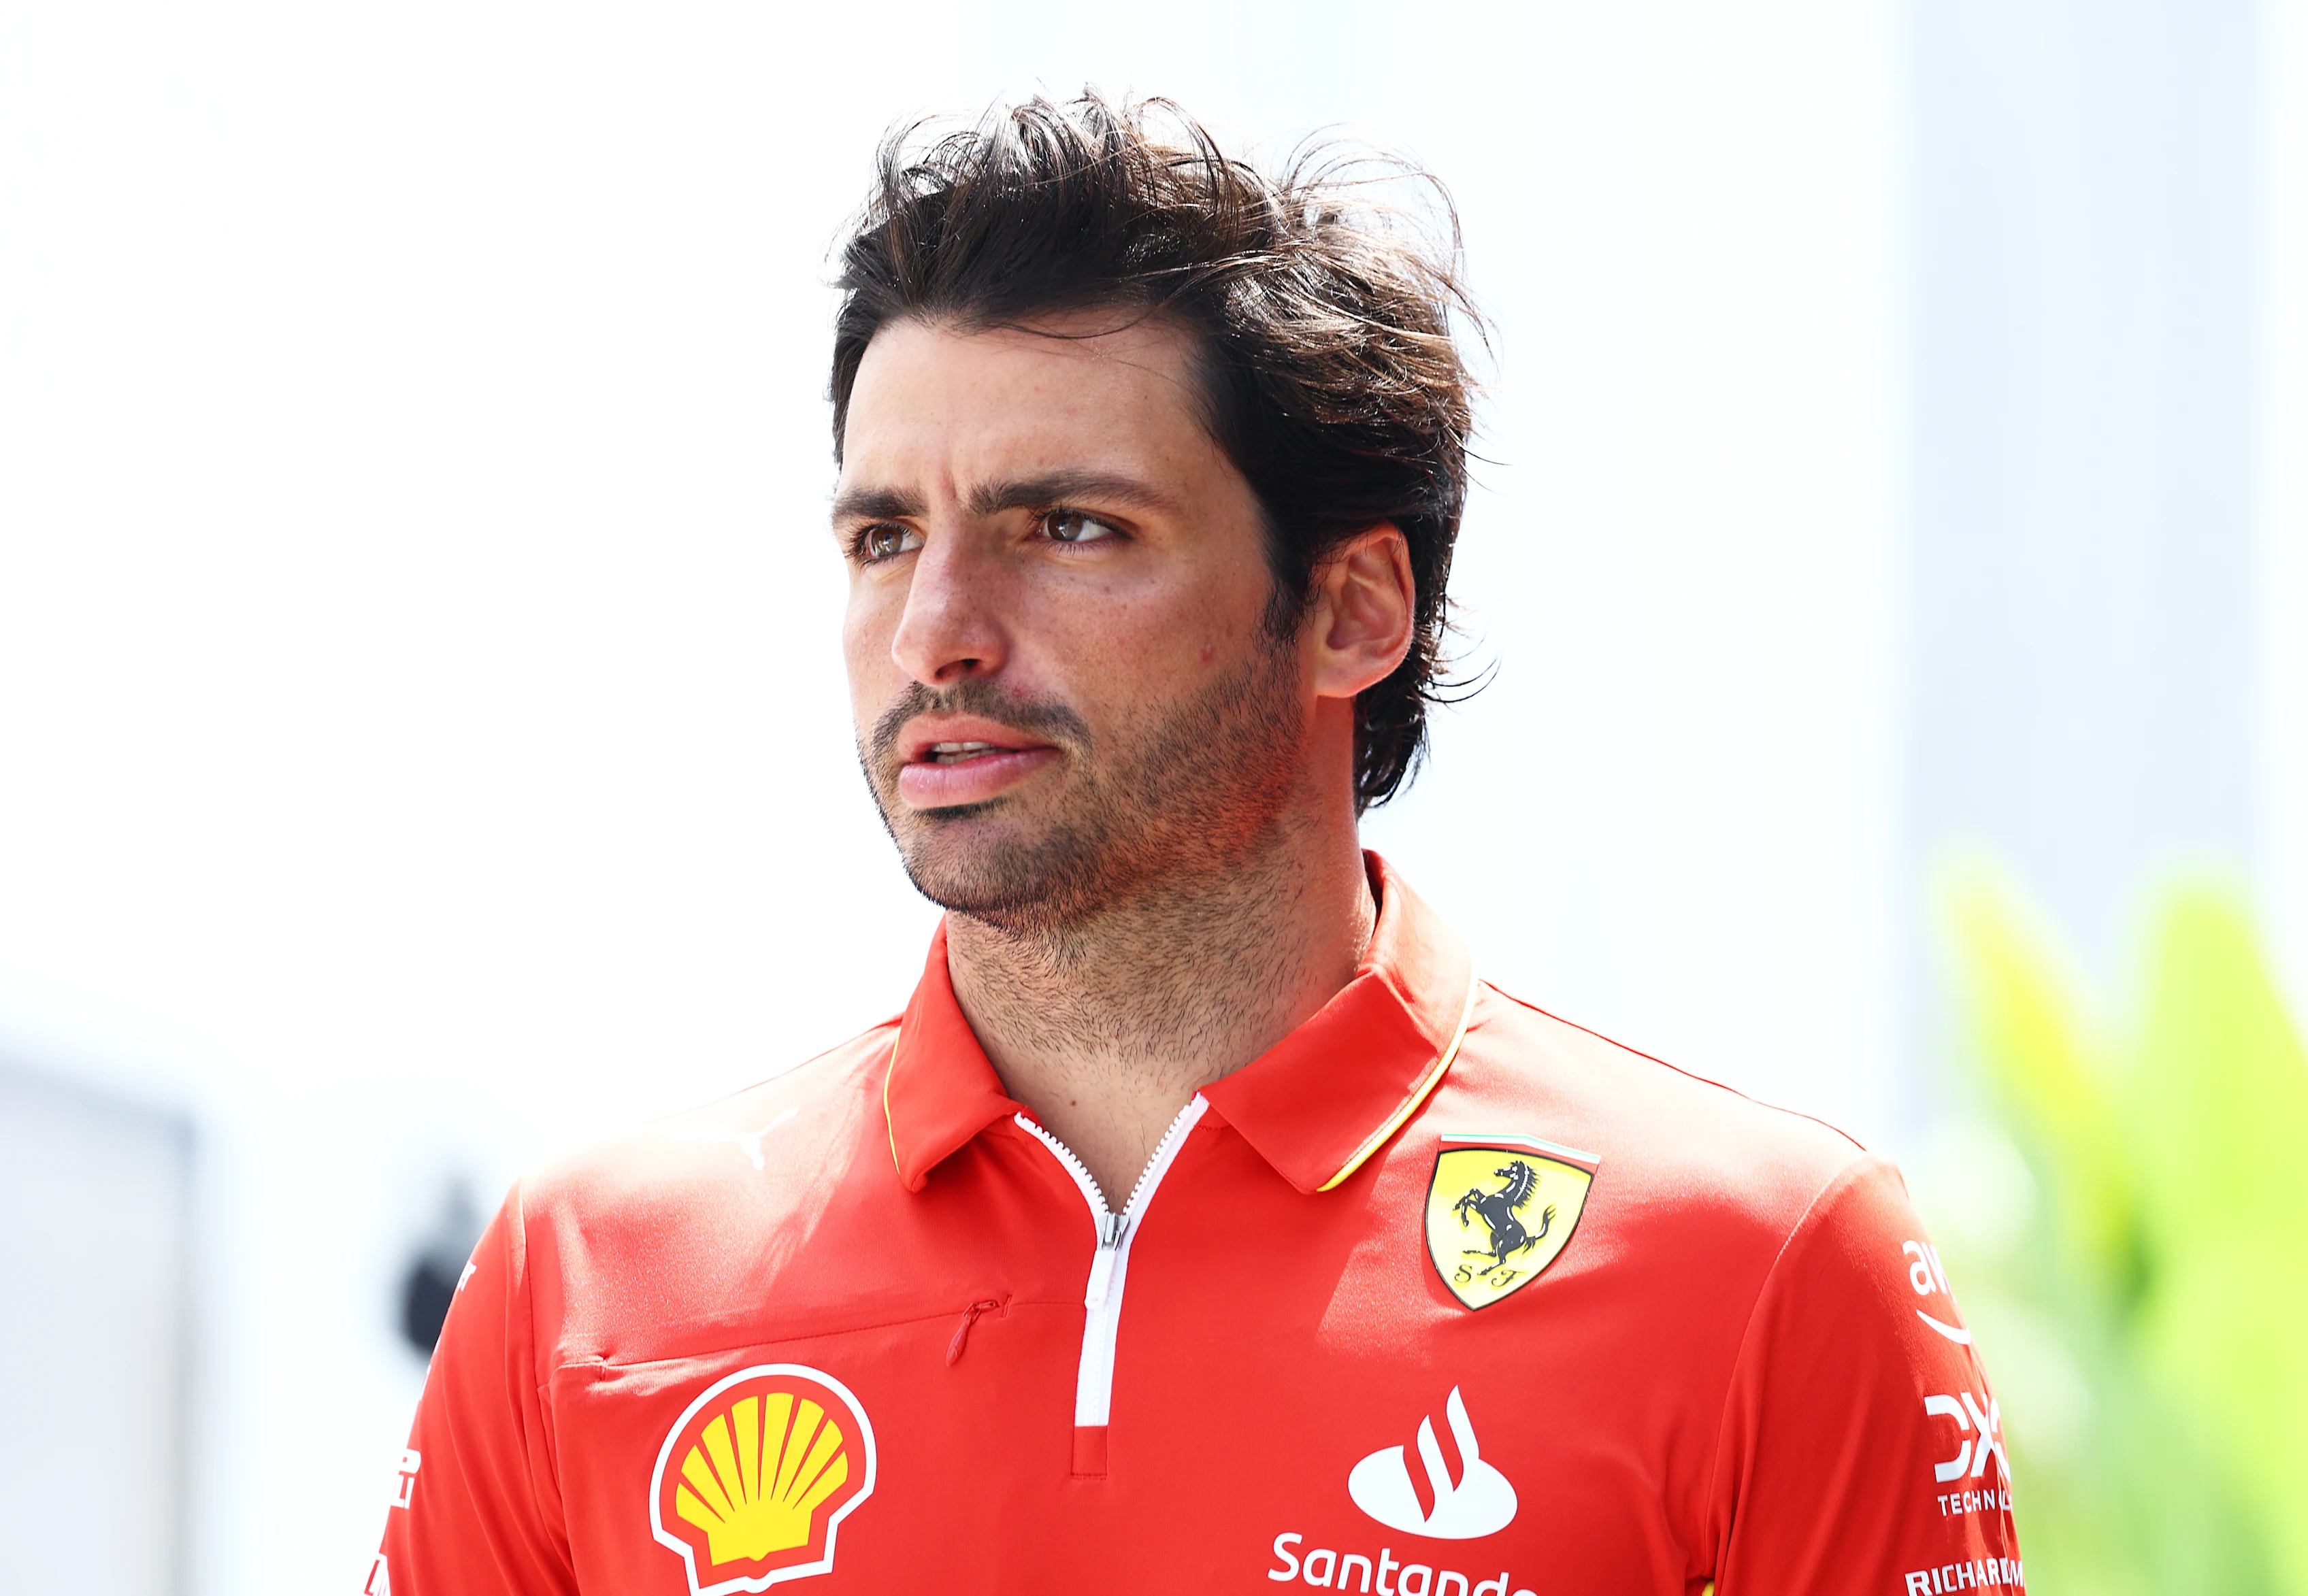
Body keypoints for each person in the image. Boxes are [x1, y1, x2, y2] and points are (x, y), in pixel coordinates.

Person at [370, 94, 2022, 1596]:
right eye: (883, 537)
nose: (937, 630)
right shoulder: (583, 1278)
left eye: (1070, 527)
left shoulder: (1767, 1265)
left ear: (1349, 608)